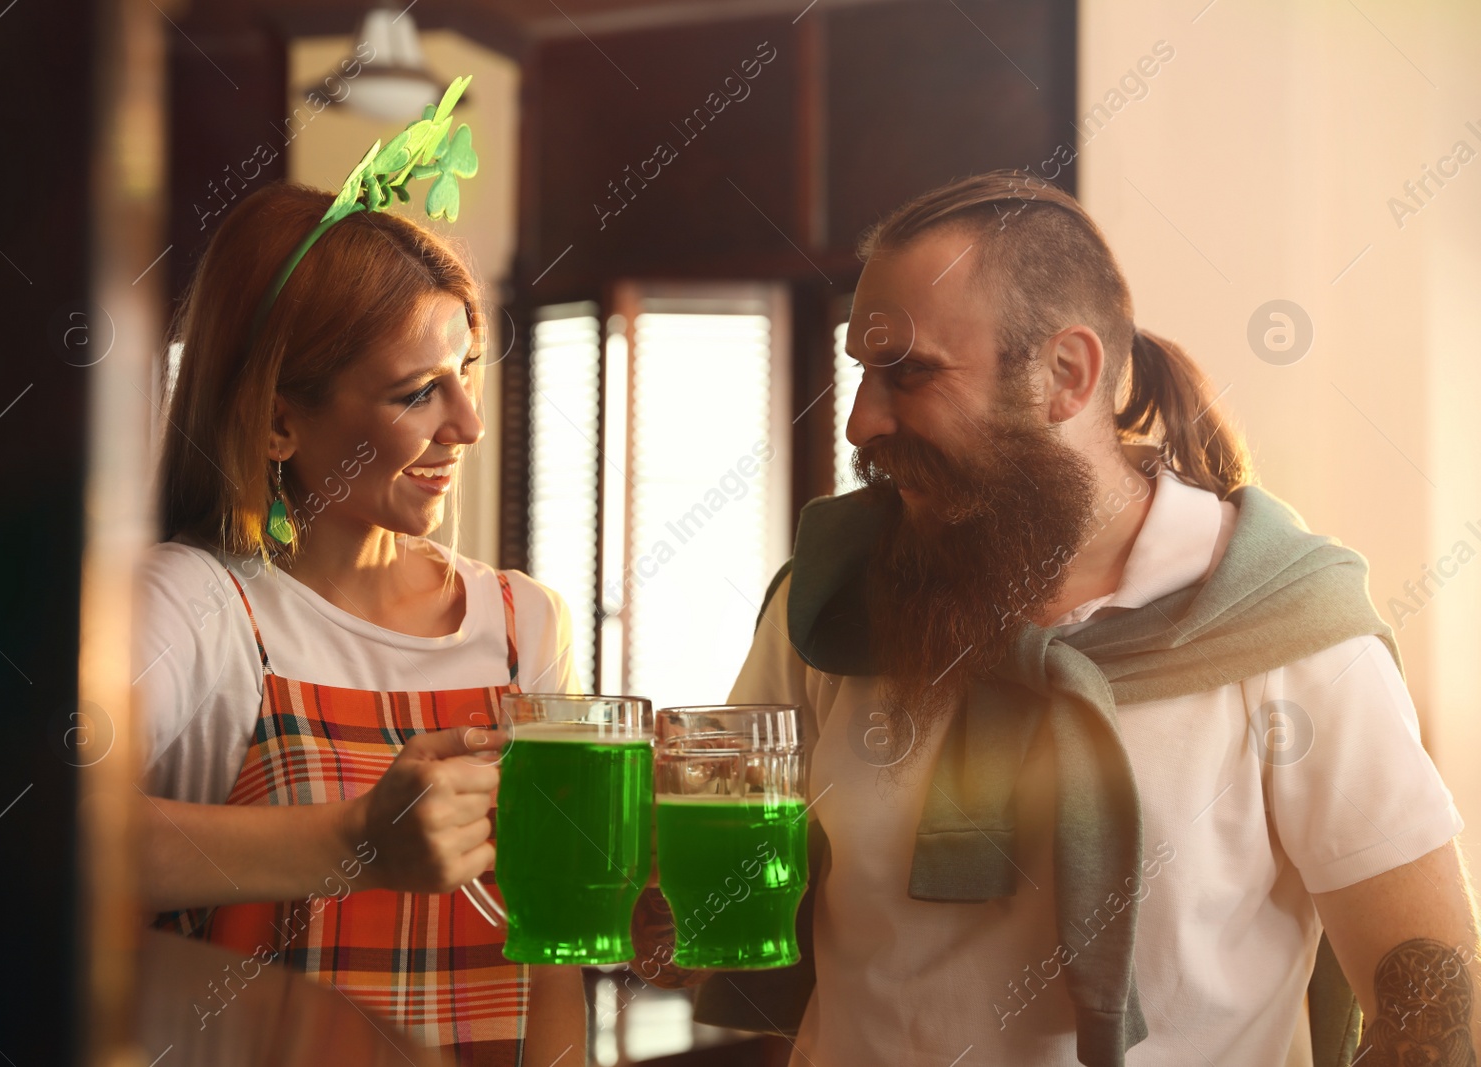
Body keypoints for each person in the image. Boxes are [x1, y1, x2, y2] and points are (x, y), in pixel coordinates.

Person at [683, 172, 1479, 1066]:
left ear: (1067, 374)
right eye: (863, 374)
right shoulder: (829, 601)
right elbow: (714, 904)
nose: (863, 421)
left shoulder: (1292, 628)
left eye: (908, 374)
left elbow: (1434, 996)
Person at [133, 175, 587, 1066]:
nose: (467, 423)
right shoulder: (197, 604)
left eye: (465, 375)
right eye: (416, 392)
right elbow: (42, 832)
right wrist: (353, 842)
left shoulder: (523, 621)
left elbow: (554, 949)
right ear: (277, 422)